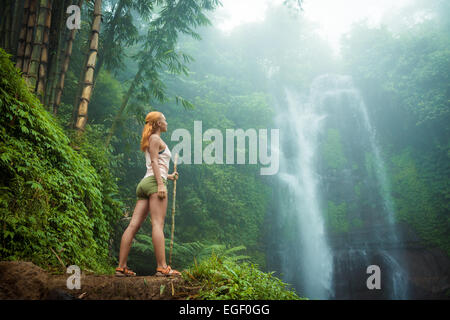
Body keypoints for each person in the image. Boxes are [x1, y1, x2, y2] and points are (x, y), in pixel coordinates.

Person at [115, 111, 181, 277]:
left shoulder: (152, 139)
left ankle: (121, 267)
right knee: (157, 224)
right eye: (164, 120)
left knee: (133, 225)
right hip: (153, 183)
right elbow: (153, 162)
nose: (167, 122)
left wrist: (169, 176)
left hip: (146, 183)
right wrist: (161, 184)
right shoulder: (155, 138)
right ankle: (162, 267)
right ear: (158, 123)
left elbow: (157, 164)